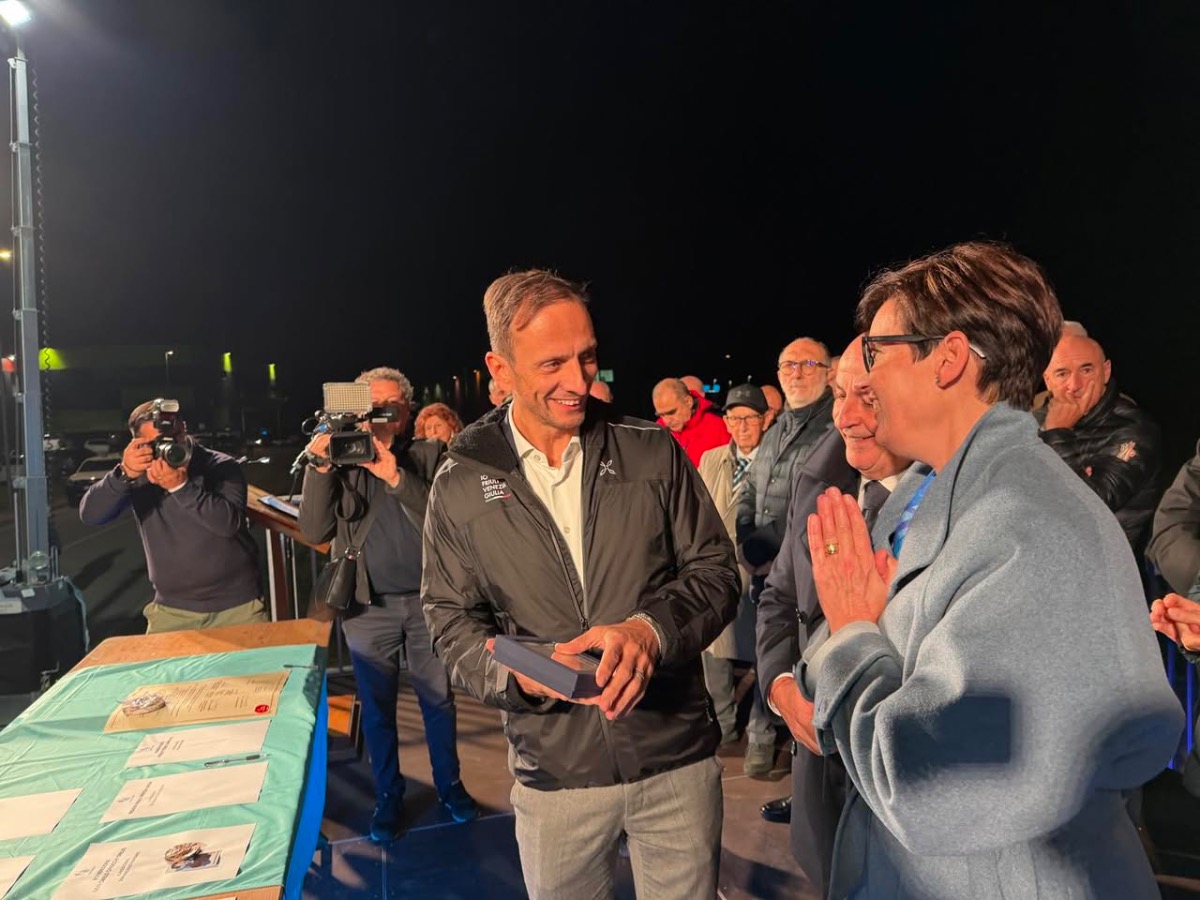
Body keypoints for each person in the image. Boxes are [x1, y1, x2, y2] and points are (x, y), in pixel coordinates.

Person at [801, 240, 1181, 898]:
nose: (865, 379)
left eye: (877, 353)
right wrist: (845, 641)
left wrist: (853, 638)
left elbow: (931, 785)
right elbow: (834, 663)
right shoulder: (940, 493)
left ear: (948, 359)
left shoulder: (1029, 525)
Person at [422, 269, 740, 899]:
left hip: (674, 761)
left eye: (587, 356)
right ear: (500, 369)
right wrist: (518, 674)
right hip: (555, 775)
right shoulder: (459, 483)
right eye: (552, 364)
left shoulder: (651, 449)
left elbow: (716, 572)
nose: (579, 381)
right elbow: (449, 620)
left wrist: (649, 631)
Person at [753, 338, 915, 893]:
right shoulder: (818, 480)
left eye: (868, 397)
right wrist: (781, 689)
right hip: (823, 778)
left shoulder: (953, 500)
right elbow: (778, 598)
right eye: (840, 394)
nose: (845, 417)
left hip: (908, 791)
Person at [299, 366, 478, 842]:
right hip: (366, 608)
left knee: (438, 701)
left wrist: (395, 476)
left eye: (388, 408)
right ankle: (388, 796)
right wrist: (320, 467)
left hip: (427, 605)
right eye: (369, 407)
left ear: (405, 415)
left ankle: (450, 786)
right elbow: (314, 530)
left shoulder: (427, 455)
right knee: (377, 710)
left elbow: (445, 518)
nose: (377, 416)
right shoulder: (340, 462)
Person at [79, 399, 265, 634]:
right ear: (138, 443)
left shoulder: (219, 465)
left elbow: (229, 524)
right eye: (158, 442)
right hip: (172, 611)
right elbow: (91, 515)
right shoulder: (139, 474)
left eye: (174, 437)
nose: (169, 447)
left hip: (238, 607)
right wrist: (123, 474)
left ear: (184, 428)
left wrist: (181, 487)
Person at [736, 336, 835, 774]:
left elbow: (813, 503)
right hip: (766, 569)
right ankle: (766, 739)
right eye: (788, 365)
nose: (796, 373)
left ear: (827, 373)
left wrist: (768, 548)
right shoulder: (777, 429)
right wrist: (745, 540)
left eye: (807, 364)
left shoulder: (833, 426)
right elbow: (751, 489)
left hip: (803, 572)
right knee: (771, 652)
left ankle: (791, 753)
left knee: (805, 662)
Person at [1034, 332, 1162, 552]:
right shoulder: (1030, 423)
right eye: (1062, 373)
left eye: (1086, 370)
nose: (1074, 385)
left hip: (1101, 560)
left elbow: (1089, 507)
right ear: (1048, 380)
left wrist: (1057, 433)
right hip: (1037, 550)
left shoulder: (1135, 429)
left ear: (1106, 371)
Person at [696, 384, 771, 747]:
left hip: (763, 570)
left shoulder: (776, 461)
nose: (741, 426)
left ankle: (760, 733)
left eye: (749, 418)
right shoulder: (711, 459)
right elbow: (698, 512)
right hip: (719, 571)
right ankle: (723, 722)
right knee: (714, 648)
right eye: (734, 418)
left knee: (765, 651)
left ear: (765, 420)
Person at [652, 377, 729, 467]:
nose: (666, 421)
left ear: (688, 402)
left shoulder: (718, 427)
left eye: (671, 412)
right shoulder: (657, 431)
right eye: (661, 415)